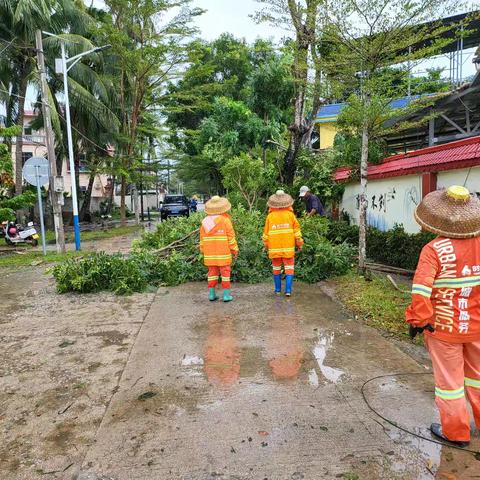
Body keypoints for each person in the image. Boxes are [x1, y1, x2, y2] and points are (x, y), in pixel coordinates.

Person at [406, 185, 480, 447]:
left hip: (445, 329)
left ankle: (456, 432)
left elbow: (421, 292)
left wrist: (419, 320)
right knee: (478, 378)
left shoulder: (434, 250)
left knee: (450, 384)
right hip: (477, 328)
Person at [263, 190, 304, 297]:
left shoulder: (270, 217)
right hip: (288, 248)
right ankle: (288, 291)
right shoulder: (291, 216)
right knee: (289, 269)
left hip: (274, 249)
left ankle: (277, 290)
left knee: (276, 269)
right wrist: (299, 244)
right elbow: (297, 233)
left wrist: (266, 246)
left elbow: (266, 235)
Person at [200, 195, 239, 303]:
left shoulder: (205, 222)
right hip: (223, 254)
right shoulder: (225, 221)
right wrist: (234, 250)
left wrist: (203, 250)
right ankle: (226, 295)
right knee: (225, 273)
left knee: (212, 273)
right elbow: (231, 238)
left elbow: (202, 239)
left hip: (210, 254)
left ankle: (212, 294)